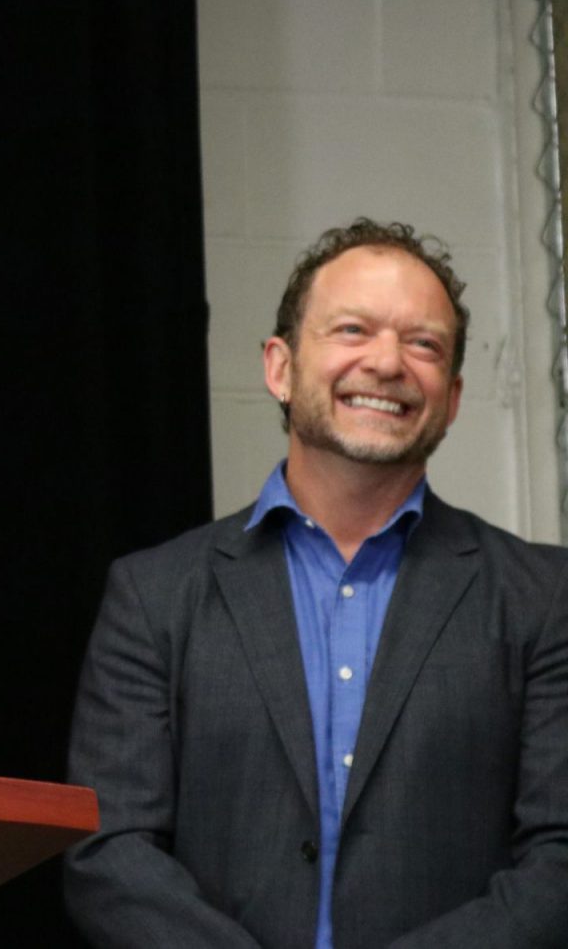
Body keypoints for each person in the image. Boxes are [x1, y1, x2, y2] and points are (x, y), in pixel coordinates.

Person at [64, 219, 568, 947]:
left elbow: (558, 863)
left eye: (424, 343)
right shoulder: (154, 596)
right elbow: (110, 852)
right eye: (353, 329)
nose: (388, 362)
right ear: (280, 367)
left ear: (452, 399)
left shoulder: (543, 599)